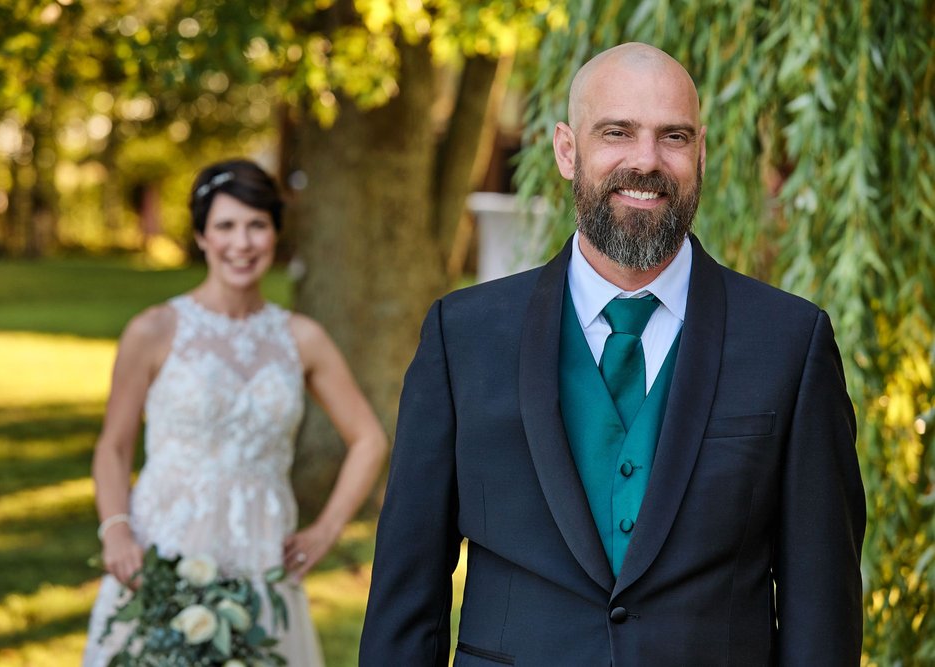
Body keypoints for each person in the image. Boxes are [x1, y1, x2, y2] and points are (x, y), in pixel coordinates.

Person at [360, 43, 865, 666]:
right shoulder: (462, 336)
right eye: (617, 132)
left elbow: (822, 610)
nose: (646, 160)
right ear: (566, 150)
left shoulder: (791, 342)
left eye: (673, 136)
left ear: (701, 153)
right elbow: (407, 595)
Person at [83, 158, 387, 666]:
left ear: (275, 233)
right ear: (201, 236)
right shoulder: (154, 330)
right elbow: (113, 446)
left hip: (261, 563)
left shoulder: (302, 339)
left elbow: (369, 439)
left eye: (256, 225)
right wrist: (116, 531)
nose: (241, 243)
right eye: (225, 226)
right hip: (162, 557)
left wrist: (326, 530)